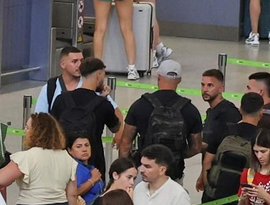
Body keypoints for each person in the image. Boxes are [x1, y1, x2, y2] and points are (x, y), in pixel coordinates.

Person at [196, 69, 247, 205]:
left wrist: (207, 179)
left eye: (210, 85)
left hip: (221, 186)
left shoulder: (227, 114)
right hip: (220, 182)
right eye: (203, 85)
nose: (205, 89)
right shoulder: (213, 112)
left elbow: (215, 153)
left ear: (221, 87)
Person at [119, 58, 203, 183]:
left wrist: (124, 172)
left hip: (144, 172)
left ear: (158, 77)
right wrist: (175, 155)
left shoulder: (140, 105)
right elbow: (196, 147)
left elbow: (125, 144)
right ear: (179, 80)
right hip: (174, 173)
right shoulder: (190, 110)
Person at [50, 56, 122, 185]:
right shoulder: (103, 104)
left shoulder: (62, 99)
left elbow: (52, 127)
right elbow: (116, 127)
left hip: (64, 161)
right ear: (99, 74)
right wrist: (104, 99)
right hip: (93, 161)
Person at [35, 45, 84, 115]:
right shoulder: (50, 88)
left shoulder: (90, 85)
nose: (80, 65)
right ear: (63, 64)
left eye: (81, 61)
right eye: (74, 61)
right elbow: (40, 118)